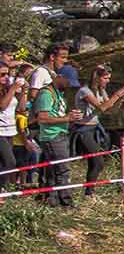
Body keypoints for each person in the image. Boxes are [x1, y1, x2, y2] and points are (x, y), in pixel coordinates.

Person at [72, 66, 124, 197]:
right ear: (96, 77)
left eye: (109, 78)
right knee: (98, 162)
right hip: (83, 130)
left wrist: (121, 99)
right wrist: (117, 94)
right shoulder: (85, 91)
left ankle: (89, 192)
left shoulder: (101, 91)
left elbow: (110, 110)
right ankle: (89, 191)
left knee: (95, 163)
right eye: (105, 78)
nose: (107, 81)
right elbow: (102, 107)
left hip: (94, 128)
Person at [33, 68, 82, 207]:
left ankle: (51, 199)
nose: (69, 85)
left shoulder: (59, 94)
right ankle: (65, 201)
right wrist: (66, 118)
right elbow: (42, 118)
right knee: (62, 169)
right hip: (52, 135)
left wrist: (70, 117)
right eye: (68, 82)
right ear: (59, 77)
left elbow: (56, 114)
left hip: (60, 133)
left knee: (52, 170)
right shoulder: (46, 94)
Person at [0, 62, 26, 190]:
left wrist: (23, 92)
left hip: (10, 131)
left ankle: (2, 189)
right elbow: (2, 106)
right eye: (2, 74)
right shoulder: (8, 89)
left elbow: (21, 108)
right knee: (10, 162)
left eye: (7, 74)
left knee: (3, 162)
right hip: (0, 132)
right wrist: (13, 89)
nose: (6, 77)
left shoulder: (7, 88)